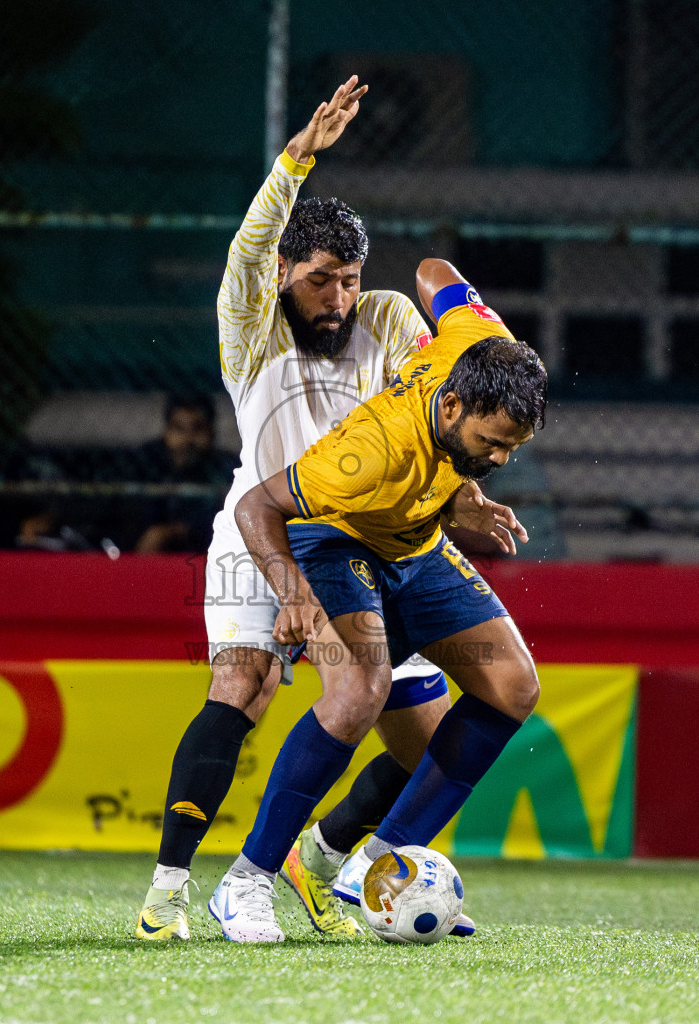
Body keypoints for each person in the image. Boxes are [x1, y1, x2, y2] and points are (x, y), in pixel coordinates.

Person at [135, 76, 459, 942]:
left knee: (428, 744)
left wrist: (467, 492)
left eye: (349, 280)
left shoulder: (387, 318)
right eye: (321, 280)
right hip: (261, 528)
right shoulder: (253, 324)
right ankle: (172, 890)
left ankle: (320, 861)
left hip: (360, 542)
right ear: (285, 273)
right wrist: (298, 158)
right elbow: (246, 251)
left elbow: (433, 412)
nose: (338, 298)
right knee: (246, 683)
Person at [207, 258, 545, 942]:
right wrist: (292, 594)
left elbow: (433, 270)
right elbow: (257, 507)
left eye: (512, 448)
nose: (499, 459)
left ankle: (375, 872)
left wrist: (462, 491)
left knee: (512, 685)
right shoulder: (366, 455)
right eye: (490, 444)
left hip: (414, 543)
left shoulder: (484, 351)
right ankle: (245, 881)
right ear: (451, 406)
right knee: (359, 688)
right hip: (333, 545)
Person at [131, 394, 235, 555]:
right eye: (178, 429)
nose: (188, 440)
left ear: (211, 433)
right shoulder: (147, 463)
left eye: (197, 429)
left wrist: (174, 532)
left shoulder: (227, 468)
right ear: (166, 432)